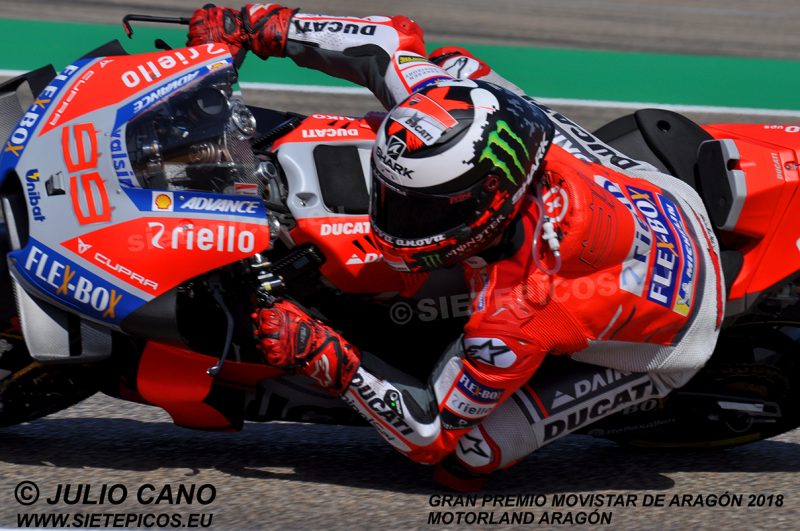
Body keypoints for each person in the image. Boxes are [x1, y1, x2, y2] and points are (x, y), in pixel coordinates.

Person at [187, 4, 725, 490]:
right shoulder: (479, 127)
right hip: (652, 195)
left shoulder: (518, 311)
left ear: (487, 203)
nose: (397, 221)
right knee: (457, 69)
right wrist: (261, 26)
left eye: (419, 210)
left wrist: (321, 353)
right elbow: (387, 41)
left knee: (465, 457)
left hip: (674, 334)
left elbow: (427, 434)